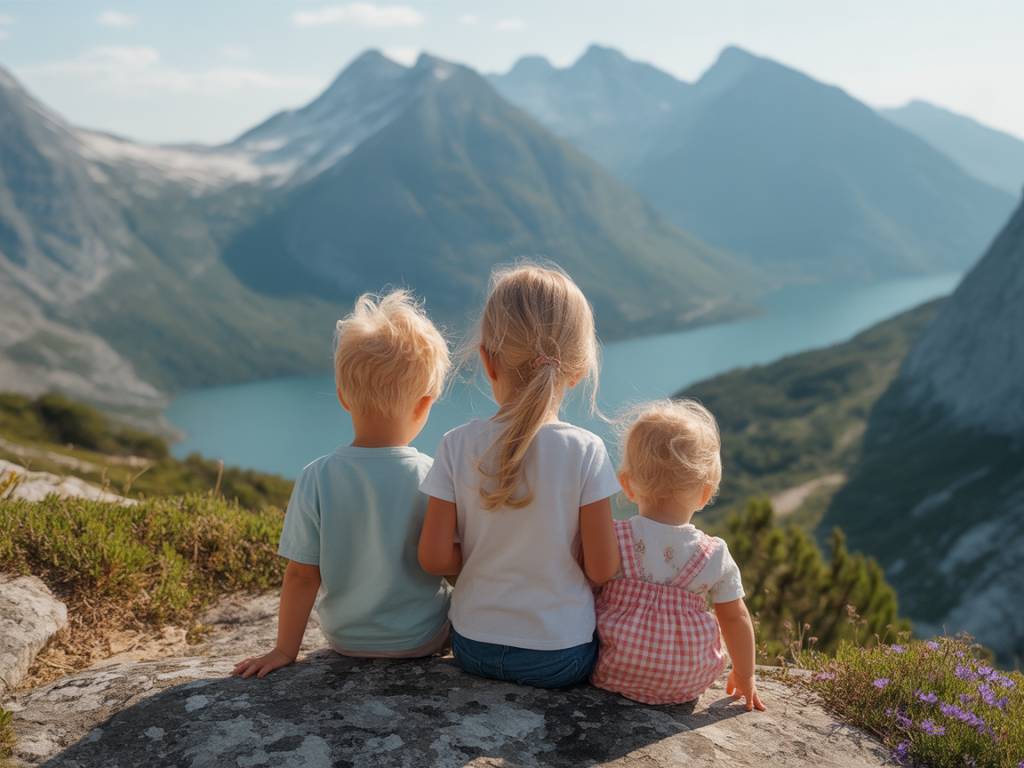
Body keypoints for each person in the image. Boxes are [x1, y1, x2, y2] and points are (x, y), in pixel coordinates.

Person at [417, 263, 620, 689]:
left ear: (488, 361)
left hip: (472, 646)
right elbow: (602, 568)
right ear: (578, 369)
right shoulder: (586, 450)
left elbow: (434, 558)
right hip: (560, 657)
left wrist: (479, 559)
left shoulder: (456, 444)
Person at [234, 290, 452, 678]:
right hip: (424, 639)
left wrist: (285, 650)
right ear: (423, 404)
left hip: (346, 640)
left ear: (343, 398)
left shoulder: (316, 476)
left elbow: (302, 575)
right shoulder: (432, 474)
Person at [591, 400, 765, 711]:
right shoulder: (714, 553)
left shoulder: (614, 537)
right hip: (686, 682)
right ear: (706, 493)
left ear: (627, 486)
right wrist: (745, 673)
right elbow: (734, 616)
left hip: (610, 669)